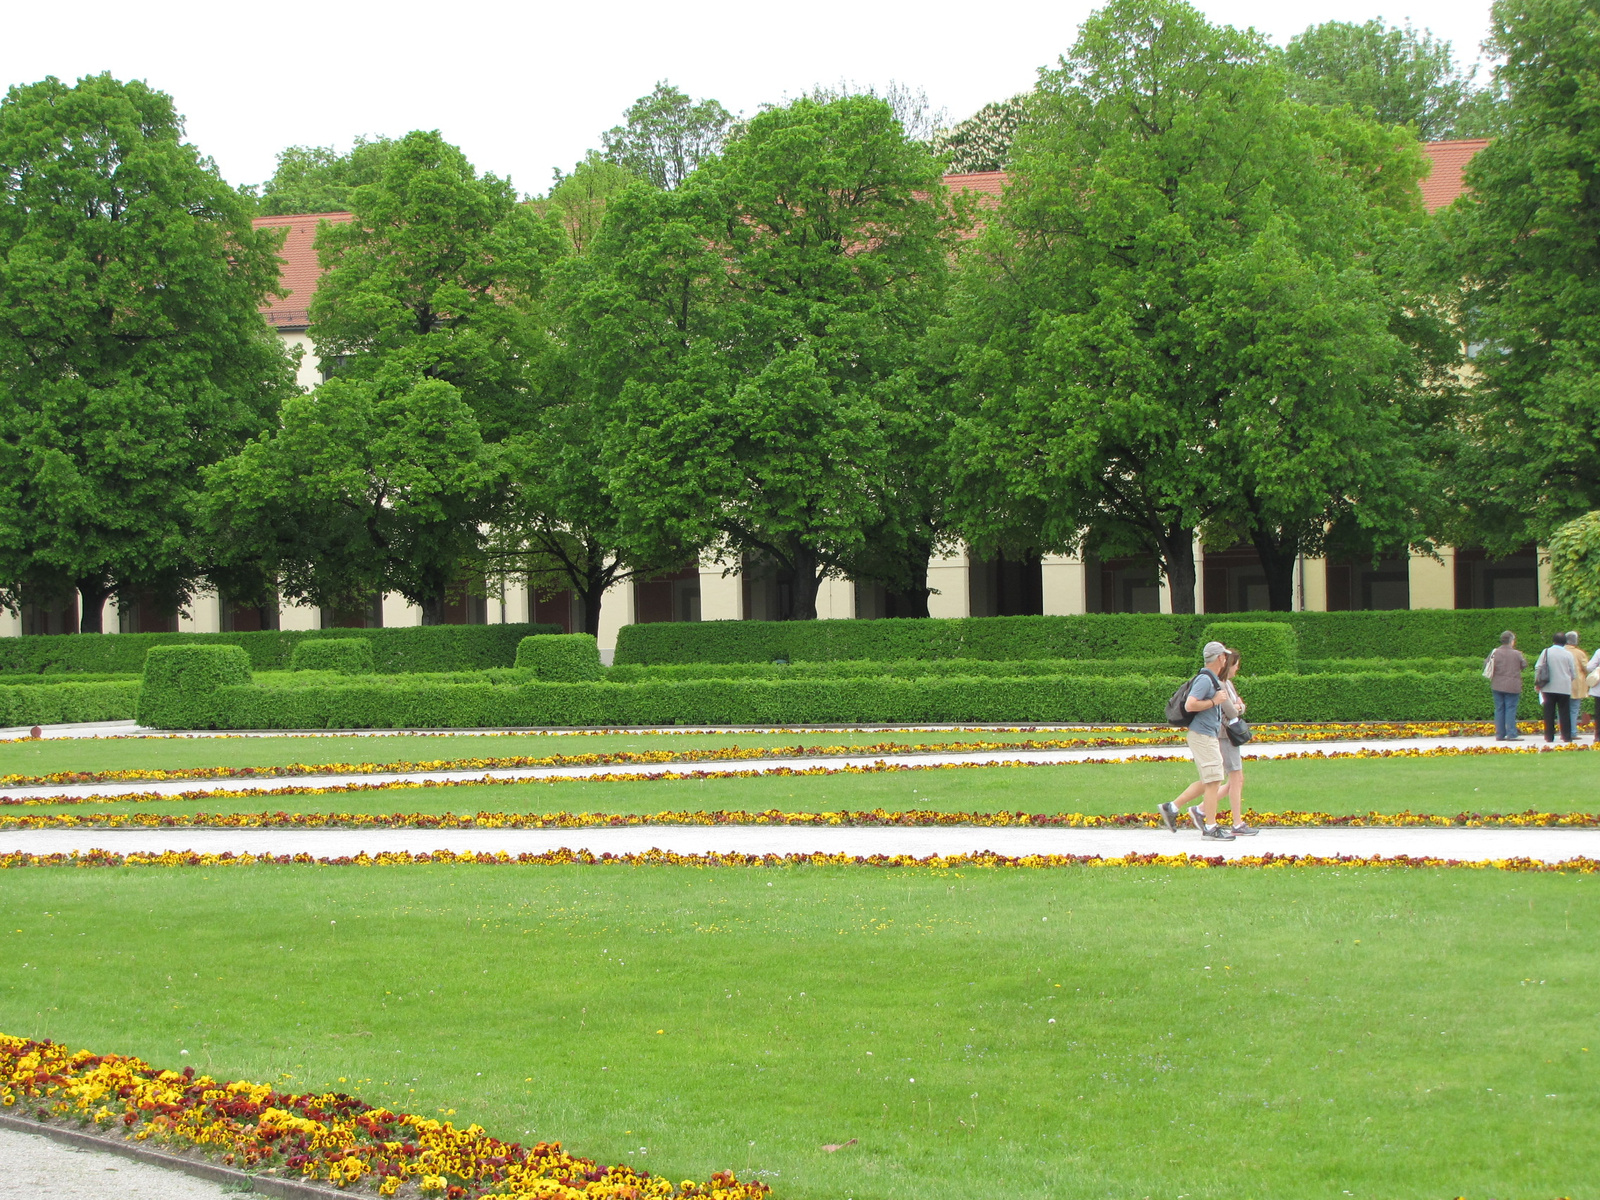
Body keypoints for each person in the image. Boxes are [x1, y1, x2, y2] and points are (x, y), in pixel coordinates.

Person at [1157, 641, 1234, 841]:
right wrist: (1213, 702)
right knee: (1213, 780)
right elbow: (1191, 704)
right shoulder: (1205, 680)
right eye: (1224, 656)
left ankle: (1172, 807)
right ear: (1219, 658)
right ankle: (1209, 826)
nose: (1226, 660)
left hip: (1206, 735)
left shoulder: (1211, 679)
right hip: (1202, 736)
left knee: (1211, 778)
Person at [1216, 648, 1256, 836]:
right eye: (1236, 666)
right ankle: (1236, 822)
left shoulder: (1228, 684)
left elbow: (1238, 705)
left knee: (1237, 779)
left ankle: (1200, 809)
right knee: (1235, 778)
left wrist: (1238, 707)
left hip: (1231, 735)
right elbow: (1232, 710)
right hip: (1225, 734)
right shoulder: (1221, 685)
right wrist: (1239, 707)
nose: (1237, 670)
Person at [1534, 632, 1576, 744]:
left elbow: (1538, 667)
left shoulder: (1546, 651)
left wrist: (1537, 682)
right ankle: (1566, 736)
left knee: (1549, 712)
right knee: (1565, 712)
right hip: (1564, 687)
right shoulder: (1568, 654)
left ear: (1553, 641)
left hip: (1548, 686)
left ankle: (1549, 736)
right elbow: (1573, 672)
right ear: (1565, 642)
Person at [1486, 630, 1527, 741]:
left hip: (1497, 684)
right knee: (1510, 709)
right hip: (1512, 685)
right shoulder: (1517, 653)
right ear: (1511, 641)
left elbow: (1487, 664)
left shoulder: (1495, 652)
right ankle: (1511, 734)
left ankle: (1499, 734)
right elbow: (1524, 665)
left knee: (1499, 709)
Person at [1567, 632, 1588, 737]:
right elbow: (1587, 668)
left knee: (1562, 709)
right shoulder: (1579, 653)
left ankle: (1564, 731)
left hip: (1562, 685)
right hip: (1576, 685)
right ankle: (1572, 732)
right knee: (1574, 709)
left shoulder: (1560, 651)